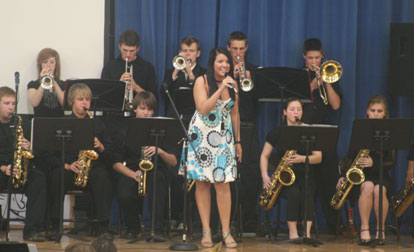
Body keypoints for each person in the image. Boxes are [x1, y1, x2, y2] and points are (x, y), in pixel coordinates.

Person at [179, 48, 241, 248]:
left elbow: (234, 114)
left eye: (227, 62)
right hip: (202, 137)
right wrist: (220, 87)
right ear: (212, 62)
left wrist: (238, 142)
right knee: (202, 183)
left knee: (223, 184)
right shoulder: (201, 80)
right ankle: (206, 231)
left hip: (223, 138)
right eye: (220, 61)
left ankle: (225, 231)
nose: (225, 65)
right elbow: (203, 109)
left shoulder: (233, 83)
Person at [47, 83, 113, 240]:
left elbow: (111, 155)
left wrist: (101, 146)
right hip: (70, 168)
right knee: (58, 175)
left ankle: (104, 226)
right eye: (80, 99)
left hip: (91, 170)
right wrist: (68, 165)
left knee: (103, 176)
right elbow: (50, 154)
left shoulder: (99, 124)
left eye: (88, 100)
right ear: (71, 101)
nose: (85, 103)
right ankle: (56, 226)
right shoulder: (62, 124)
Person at [112, 91, 179, 239]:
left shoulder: (163, 129)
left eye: (149, 109)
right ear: (135, 109)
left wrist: (160, 151)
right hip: (132, 170)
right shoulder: (124, 129)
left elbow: (174, 161)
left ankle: (157, 230)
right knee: (124, 191)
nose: (146, 113)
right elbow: (116, 163)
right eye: (143, 109)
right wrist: (133, 174)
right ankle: (133, 228)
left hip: (156, 169)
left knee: (158, 182)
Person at [260, 97, 322, 239]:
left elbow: (318, 157)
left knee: (307, 192)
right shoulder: (276, 132)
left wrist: (302, 159)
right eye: (292, 109)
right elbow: (264, 156)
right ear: (285, 112)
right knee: (294, 193)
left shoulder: (309, 131)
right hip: (285, 180)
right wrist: (265, 175)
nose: (296, 112)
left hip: (306, 175)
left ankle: (306, 234)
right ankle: (293, 233)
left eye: (299, 109)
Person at [335, 94, 394, 245]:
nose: (375, 114)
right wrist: (342, 175)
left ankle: (381, 230)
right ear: (367, 111)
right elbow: (349, 156)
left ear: (385, 114)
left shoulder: (390, 132)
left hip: (380, 174)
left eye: (379, 111)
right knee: (367, 187)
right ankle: (364, 228)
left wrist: (373, 162)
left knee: (379, 189)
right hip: (362, 176)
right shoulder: (360, 129)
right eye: (373, 110)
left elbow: (392, 161)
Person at [301, 38, 342, 233]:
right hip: (305, 133)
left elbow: (335, 105)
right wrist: (312, 85)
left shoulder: (330, 74)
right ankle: (305, 227)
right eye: (310, 58)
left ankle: (334, 227)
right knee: (308, 184)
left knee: (329, 182)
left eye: (317, 57)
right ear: (304, 57)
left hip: (326, 134)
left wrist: (326, 83)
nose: (314, 62)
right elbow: (294, 102)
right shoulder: (299, 76)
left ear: (322, 56)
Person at [0, 86, 47, 241]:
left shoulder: (23, 123)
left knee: (39, 179)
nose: (11, 107)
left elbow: (38, 153)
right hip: (2, 169)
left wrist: (30, 147)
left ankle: (32, 229)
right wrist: (3, 168)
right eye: (7, 103)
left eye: (13, 103)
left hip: (20, 168)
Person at [226, 30, 261, 232]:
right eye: (234, 49)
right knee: (228, 176)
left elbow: (260, 99)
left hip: (248, 126)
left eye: (241, 48)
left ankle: (248, 221)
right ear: (229, 48)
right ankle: (227, 220)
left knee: (251, 174)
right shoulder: (222, 68)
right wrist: (232, 77)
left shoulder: (253, 71)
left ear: (246, 48)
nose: (238, 53)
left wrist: (249, 80)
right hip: (227, 127)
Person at [101, 29, 157, 98]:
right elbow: (103, 96)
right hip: (116, 108)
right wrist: (119, 85)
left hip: (138, 108)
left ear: (138, 48)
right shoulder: (109, 67)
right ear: (119, 46)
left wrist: (136, 87)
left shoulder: (148, 68)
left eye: (132, 51)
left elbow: (153, 100)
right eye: (125, 50)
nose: (128, 54)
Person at [163, 35, 206, 121]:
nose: (187, 54)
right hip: (174, 117)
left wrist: (190, 72)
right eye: (184, 51)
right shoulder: (170, 73)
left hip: (196, 117)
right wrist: (176, 70)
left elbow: (203, 94)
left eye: (192, 51)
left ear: (198, 54)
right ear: (180, 52)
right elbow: (164, 92)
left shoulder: (204, 73)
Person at [27, 48, 65, 117]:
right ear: (40, 65)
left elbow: (64, 103)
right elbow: (35, 103)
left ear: (56, 65)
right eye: (45, 62)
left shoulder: (63, 84)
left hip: (60, 123)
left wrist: (54, 82)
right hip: (40, 123)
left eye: (52, 62)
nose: (48, 65)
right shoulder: (33, 84)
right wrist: (43, 82)